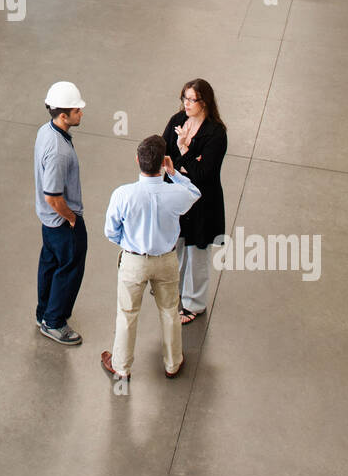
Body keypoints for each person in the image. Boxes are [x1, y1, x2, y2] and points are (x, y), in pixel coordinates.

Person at [101, 135, 201, 382]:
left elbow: (110, 231)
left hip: (134, 261)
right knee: (169, 311)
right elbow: (194, 192)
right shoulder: (175, 194)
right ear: (162, 164)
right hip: (166, 260)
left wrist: (128, 245)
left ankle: (121, 367)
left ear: (137, 160)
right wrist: (174, 172)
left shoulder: (123, 194)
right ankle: (173, 363)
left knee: (127, 313)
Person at [162, 79, 228, 325]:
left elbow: (203, 175)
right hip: (178, 198)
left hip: (203, 204)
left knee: (197, 253)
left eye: (192, 100)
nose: (186, 104)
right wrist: (186, 160)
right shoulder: (178, 120)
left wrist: (184, 151)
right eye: (185, 98)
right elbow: (165, 152)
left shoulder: (216, 133)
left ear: (205, 102)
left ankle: (194, 304)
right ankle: (176, 289)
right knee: (176, 246)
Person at [33, 81, 88, 344]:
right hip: (62, 222)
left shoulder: (47, 131)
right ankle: (54, 322)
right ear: (63, 115)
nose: (81, 113)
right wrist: (72, 218)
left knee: (50, 264)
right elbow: (53, 197)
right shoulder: (58, 151)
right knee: (69, 269)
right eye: (77, 110)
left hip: (48, 222)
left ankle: (44, 312)